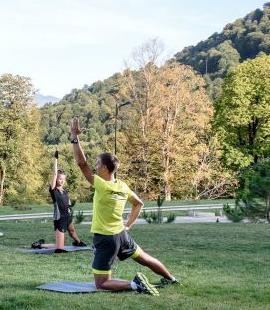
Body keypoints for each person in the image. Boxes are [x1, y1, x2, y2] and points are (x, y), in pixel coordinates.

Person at [70, 116, 178, 294]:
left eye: (98, 164)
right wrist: (128, 225)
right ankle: (171, 278)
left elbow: (81, 163)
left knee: (101, 284)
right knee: (145, 258)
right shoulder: (122, 186)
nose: (95, 167)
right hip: (122, 235)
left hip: (106, 238)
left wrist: (75, 137)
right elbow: (138, 203)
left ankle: (136, 284)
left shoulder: (102, 185)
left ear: (105, 168)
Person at [30, 150, 86, 250]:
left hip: (67, 216)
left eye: (63, 179)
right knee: (59, 247)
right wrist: (56, 159)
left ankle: (78, 242)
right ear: (56, 179)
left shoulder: (64, 191)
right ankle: (39, 245)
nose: (62, 181)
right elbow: (55, 173)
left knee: (72, 231)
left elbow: (67, 202)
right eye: (60, 179)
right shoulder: (53, 190)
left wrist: (69, 208)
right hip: (59, 219)